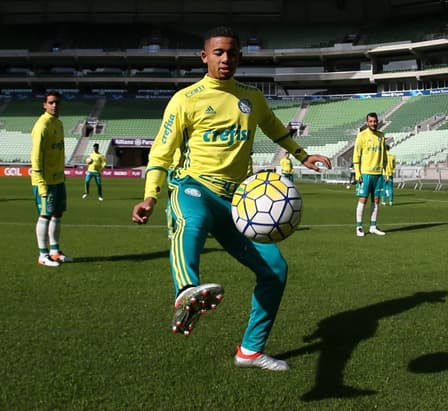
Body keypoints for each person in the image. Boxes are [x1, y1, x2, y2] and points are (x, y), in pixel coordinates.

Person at [131, 26, 331, 372]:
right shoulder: (185, 99)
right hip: (193, 186)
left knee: (275, 271)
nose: (226, 59)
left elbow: (273, 127)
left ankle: (250, 351)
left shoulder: (251, 97)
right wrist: (150, 196)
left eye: (233, 53)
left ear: (240, 57)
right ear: (204, 56)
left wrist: (302, 156)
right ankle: (186, 291)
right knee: (192, 221)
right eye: (219, 53)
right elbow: (161, 154)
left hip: (237, 201)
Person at [30, 90, 73, 267]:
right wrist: (40, 183)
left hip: (58, 179)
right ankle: (42, 255)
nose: (54, 106)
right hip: (45, 181)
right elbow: (36, 157)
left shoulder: (59, 123)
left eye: (57, 103)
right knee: (45, 215)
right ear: (44, 104)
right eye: (51, 102)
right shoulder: (42, 126)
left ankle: (54, 252)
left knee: (57, 214)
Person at [353, 112, 387, 236]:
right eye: (371, 121)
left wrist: (385, 170)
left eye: (375, 121)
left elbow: (384, 155)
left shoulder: (381, 136)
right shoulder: (361, 136)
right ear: (367, 122)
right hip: (366, 173)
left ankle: (373, 226)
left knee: (376, 200)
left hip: (378, 174)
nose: (373, 123)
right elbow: (356, 155)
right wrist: (357, 173)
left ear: (377, 121)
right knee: (363, 199)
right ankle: (359, 227)